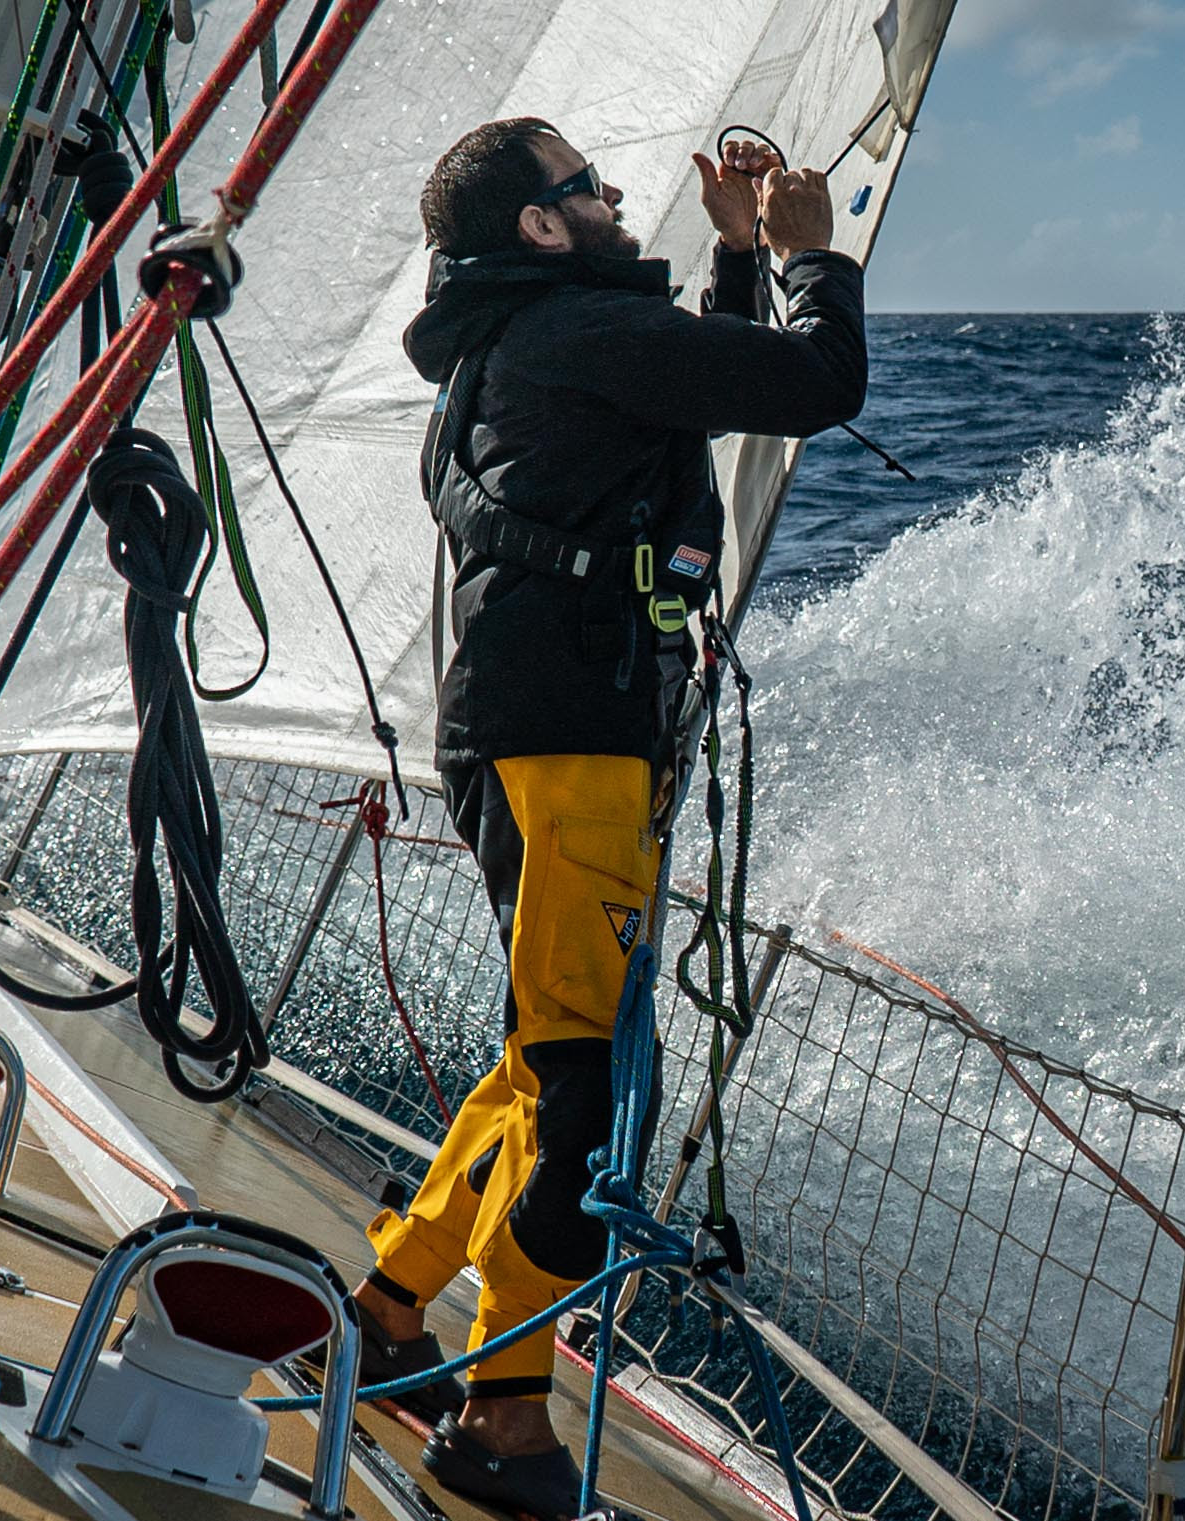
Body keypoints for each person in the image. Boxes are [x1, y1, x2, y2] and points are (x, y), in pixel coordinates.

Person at [350, 116, 866, 1517]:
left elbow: (690, 401)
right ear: (536, 224)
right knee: (578, 1097)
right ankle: (498, 1406)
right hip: (568, 748)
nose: (615, 193)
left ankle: (390, 1305)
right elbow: (817, 384)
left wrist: (740, 254)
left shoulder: (517, 338)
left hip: (536, 736)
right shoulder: (575, 327)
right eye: (586, 186)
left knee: (542, 1053)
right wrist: (814, 259)